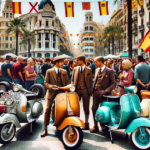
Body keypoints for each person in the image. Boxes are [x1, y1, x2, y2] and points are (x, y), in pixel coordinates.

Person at [41, 56, 70, 137]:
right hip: (51, 93)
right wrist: (51, 87)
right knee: (47, 109)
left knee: (63, 109)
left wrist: (68, 89)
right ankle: (45, 128)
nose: (63, 63)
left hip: (61, 93)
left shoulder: (64, 71)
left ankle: (61, 125)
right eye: (61, 62)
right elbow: (46, 83)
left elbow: (67, 83)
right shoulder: (49, 71)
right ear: (57, 62)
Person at [91, 56, 116, 133]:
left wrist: (106, 91)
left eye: (96, 62)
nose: (94, 63)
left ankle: (104, 126)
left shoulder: (109, 71)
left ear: (101, 62)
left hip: (104, 95)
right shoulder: (96, 70)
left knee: (104, 111)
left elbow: (114, 83)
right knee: (94, 109)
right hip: (95, 93)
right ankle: (95, 126)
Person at [71, 55, 93, 130]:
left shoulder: (89, 70)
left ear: (82, 61)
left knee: (86, 107)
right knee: (76, 108)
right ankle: (77, 123)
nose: (76, 62)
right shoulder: (75, 69)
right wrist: (73, 88)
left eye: (77, 60)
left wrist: (90, 91)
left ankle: (86, 123)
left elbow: (90, 81)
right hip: (77, 90)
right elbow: (73, 80)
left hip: (85, 91)